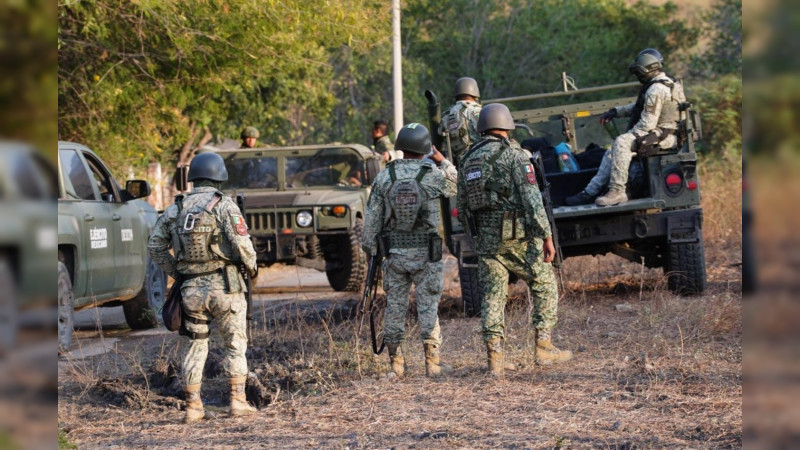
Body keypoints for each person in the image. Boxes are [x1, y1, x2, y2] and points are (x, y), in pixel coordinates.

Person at [456, 103, 572, 376]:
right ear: (507, 125)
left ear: (482, 127)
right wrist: (546, 236)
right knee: (544, 283)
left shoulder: (467, 159)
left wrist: (477, 236)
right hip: (518, 238)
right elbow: (532, 200)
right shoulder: (515, 155)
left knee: (492, 296)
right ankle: (544, 347)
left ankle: (495, 360)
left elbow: (462, 206)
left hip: (486, 241)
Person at [147, 152, 258, 423]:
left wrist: (178, 272)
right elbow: (242, 244)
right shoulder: (224, 205)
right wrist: (252, 267)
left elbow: (155, 245)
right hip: (226, 288)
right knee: (234, 344)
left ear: (193, 177)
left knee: (194, 346)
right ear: (219, 175)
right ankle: (237, 402)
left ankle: (194, 407)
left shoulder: (176, 208)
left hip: (191, 291)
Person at [362, 123, 458, 378]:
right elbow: (456, 183)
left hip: (394, 254)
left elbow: (371, 221)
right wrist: (442, 160)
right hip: (427, 254)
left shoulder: (385, 176)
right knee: (428, 305)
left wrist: (371, 251)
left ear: (401, 147)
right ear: (425, 148)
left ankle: (396, 364)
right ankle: (432, 363)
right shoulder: (431, 174)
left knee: (394, 307)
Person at [565, 49, 686, 207]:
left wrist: (628, 138)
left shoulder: (656, 89)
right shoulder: (668, 83)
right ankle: (589, 192)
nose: (638, 76)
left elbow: (647, 124)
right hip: (665, 134)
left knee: (621, 142)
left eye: (638, 72)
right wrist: (616, 112)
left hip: (664, 136)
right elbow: (639, 108)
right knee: (612, 151)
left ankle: (617, 191)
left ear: (646, 69)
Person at [439, 77, 482, 162]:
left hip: (456, 163)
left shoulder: (447, 115)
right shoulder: (477, 111)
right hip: (478, 160)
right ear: (475, 94)